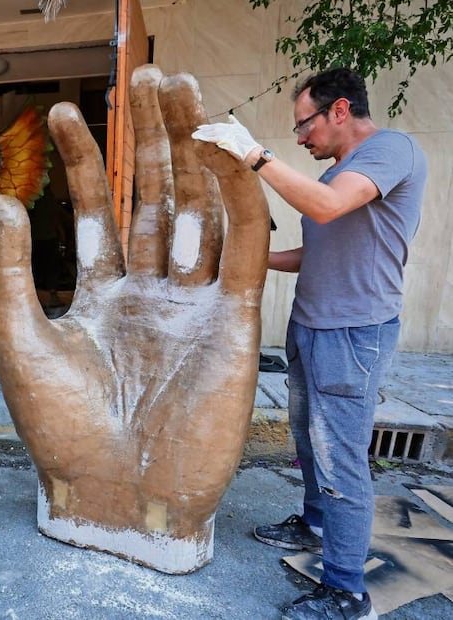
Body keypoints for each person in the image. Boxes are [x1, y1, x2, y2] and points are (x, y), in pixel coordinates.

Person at [194, 68, 427, 620]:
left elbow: (325, 208)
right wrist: (242, 257)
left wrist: (256, 155)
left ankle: (347, 592)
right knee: (308, 438)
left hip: (353, 333)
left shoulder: (392, 151)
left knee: (340, 457)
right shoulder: (340, 172)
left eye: (305, 126)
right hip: (311, 325)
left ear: (340, 110)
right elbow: (312, 252)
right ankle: (315, 521)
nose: (300, 139)